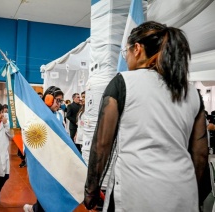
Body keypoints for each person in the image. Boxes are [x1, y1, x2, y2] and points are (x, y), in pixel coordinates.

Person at [84, 21, 208, 212]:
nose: (125, 57)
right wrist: (195, 195)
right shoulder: (191, 92)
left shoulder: (123, 83)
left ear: (137, 49)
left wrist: (91, 190)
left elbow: (102, 144)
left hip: (134, 192)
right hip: (183, 191)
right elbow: (200, 154)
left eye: (126, 50)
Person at [23, 86, 64, 212]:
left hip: (56, 158)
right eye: (57, 101)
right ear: (48, 99)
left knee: (53, 190)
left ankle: (35, 208)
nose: (59, 104)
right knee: (44, 190)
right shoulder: (37, 116)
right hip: (43, 159)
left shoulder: (60, 115)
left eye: (61, 101)